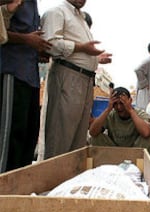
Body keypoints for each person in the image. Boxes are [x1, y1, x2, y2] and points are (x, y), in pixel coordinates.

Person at [40, 0, 112, 160]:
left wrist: (96, 58)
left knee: (77, 140)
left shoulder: (80, 18)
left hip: (84, 80)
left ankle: (69, 181)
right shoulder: (57, 12)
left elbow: (79, 52)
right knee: (61, 137)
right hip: (68, 77)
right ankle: (55, 180)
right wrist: (81, 48)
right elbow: (49, 44)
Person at [0, 0, 51, 172]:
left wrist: (38, 49)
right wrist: (26, 40)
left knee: (28, 138)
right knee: (10, 140)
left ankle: (19, 192)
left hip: (31, 77)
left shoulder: (34, 6)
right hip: (13, 71)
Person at [89, 86, 150, 151]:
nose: (119, 107)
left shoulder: (140, 114)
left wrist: (130, 110)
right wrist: (108, 109)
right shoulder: (111, 114)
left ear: (130, 101)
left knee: (149, 138)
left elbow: (146, 133)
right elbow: (92, 133)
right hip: (114, 151)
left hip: (134, 151)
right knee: (96, 137)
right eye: (115, 104)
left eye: (122, 103)